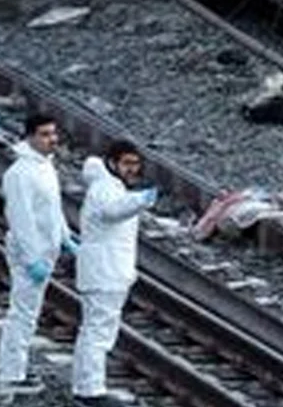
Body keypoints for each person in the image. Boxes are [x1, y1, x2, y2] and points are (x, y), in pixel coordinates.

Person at [72, 141, 158, 405]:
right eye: (127, 163)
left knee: (96, 331)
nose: (133, 169)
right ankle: (91, 392)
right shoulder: (105, 187)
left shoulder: (110, 186)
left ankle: (85, 387)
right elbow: (113, 212)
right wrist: (141, 200)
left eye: (135, 164)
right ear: (112, 163)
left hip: (107, 271)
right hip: (105, 272)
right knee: (98, 333)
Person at [0, 113, 72, 398]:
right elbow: (21, 219)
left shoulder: (45, 166)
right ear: (29, 137)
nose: (52, 139)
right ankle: (10, 376)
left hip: (46, 249)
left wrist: (65, 237)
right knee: (22, 314)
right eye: (44, 134)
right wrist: (31, 259)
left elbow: (52, 208)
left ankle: (17, 370)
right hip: (31, 253)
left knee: (29, 313)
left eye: (53, 133)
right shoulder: (19, 174)